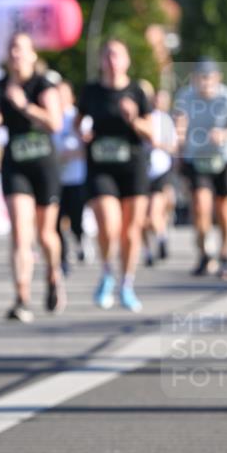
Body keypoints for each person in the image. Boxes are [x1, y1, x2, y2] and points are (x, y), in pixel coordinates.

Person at [0, 32, 64, 322]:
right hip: (15, 163)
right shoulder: (1, 86)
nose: (16, 54)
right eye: (12, 49)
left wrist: (23, 105)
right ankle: (22, 298)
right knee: (21, 233)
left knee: (46, 234)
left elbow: (54, 122)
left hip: (44, 164)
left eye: (21, 49)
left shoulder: (43, 84)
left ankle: (54, 276)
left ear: (32, 54)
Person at [77, 39, 153, 312]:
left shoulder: (138, 91)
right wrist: (81, 133)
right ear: (100, 60)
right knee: (109, 224)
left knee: (131, 233)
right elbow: (78, 122)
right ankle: (108, 272)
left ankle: (127, 284)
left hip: (132, 167)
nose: (112, 60)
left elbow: (152, 134)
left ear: (127, 61)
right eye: (107, 55)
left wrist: (133, 118)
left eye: (117, 55)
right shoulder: (91, 91)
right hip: (101, 166)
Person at [174, 58, 227, 281]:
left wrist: (225, 135)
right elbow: (179, 125)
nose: (204, 83)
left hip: (222, 159)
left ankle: (225, 254)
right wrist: (179, 140)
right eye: (200, 77)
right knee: (200, 206)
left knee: (224, 208)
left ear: (218, 78)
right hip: (196, 159)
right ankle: (205, 253)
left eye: (209, 77)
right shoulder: (186, 97)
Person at [54, 80, 87, 274]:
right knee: (57, 221)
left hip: (76, 177)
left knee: (75, 220)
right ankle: (64, 257)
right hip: (56, 178)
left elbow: (87, 146)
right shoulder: (51, 116)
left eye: (63, 93)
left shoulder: (78, 117)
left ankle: (80, 239)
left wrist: (71, 155)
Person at [143, 88, 177, 266]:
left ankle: (161, 236)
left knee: (153, 212)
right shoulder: (141, 117)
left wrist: (158, 144)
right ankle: (147, 250)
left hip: (159, 170)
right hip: (141, 172)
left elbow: (173, 146)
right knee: (141, 216)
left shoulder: (164, 120)